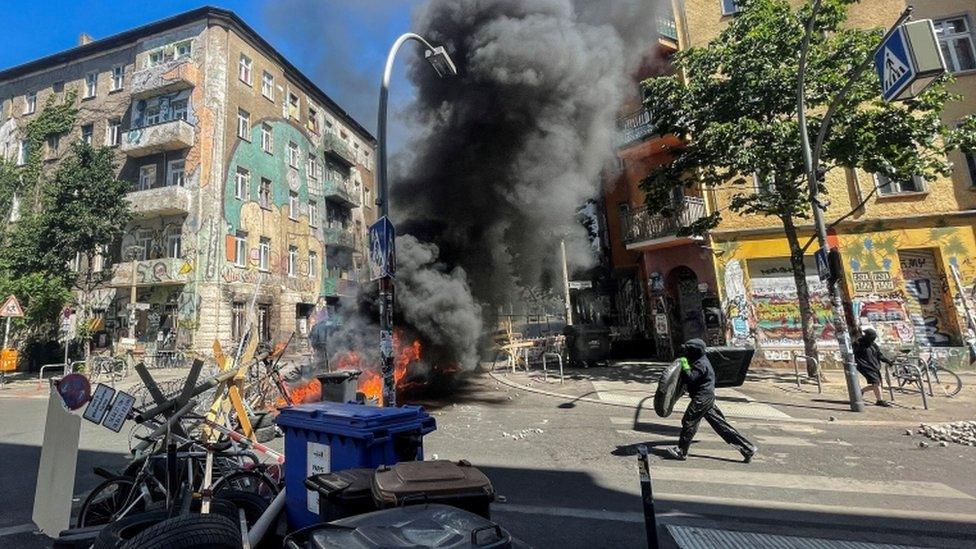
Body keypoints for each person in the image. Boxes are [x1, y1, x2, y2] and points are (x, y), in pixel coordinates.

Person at [666, 339, 757, 462]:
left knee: (689, 421)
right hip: (706, 397)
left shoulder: (700, 364)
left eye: (688, 350)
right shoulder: (701, 360)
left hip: (702, 398)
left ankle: (681, 451)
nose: (686, 352)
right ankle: (747, 448)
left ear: (695, 351)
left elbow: (691, 378)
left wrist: (685, 365)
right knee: (720, 425)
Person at [853, 328, 892, 407]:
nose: (873, 338)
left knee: (877, 383)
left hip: (874, 366)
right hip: (864, 366)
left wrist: (888, 361)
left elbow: (879, 355)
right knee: (875, 382)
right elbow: (854, 354)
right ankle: (879, 400)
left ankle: (860, 391)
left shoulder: (873, 344)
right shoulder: (858, 343)